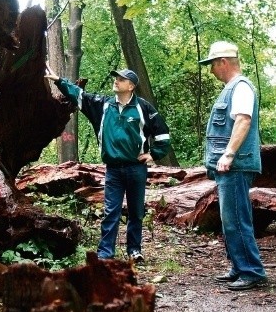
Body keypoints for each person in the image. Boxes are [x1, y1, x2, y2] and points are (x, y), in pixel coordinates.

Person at [45, 63, 171, 262]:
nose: (116, 80)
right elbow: (79, 95)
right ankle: (105, 254)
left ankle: (134, 251)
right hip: (113, 170)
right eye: (116, 78)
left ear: (131, 86)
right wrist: (60, 81)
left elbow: (163, 134)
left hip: (136, 168)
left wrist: (153, 154)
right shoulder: (102, 105)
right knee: (110, 211)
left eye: (121, 79)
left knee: (136, 212)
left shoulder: (143, 107)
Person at [199, 41, 267, 290]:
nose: (211, 71)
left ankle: (252, 271)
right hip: (230, 166)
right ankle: (239, 266)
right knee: (230, 219)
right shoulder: (232, 88)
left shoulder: (241, 88)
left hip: (236, 165)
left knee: (237, 218)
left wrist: (228, 155)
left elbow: (243, 121)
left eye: (212, 65)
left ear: (223, 62)